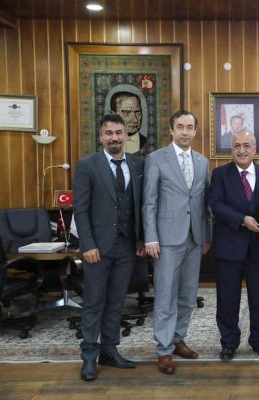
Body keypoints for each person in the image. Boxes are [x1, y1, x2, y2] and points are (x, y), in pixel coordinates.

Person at [73, 113, 145, 381]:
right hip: (97, 248)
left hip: (127, 247)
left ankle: (109, 350)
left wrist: (141, 237)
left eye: (118, 133)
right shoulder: (87, 165)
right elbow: (80, 210)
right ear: (101, 137)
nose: (114, 137)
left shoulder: (137, 164)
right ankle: (89, 357)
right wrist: (87, 244)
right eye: (109, 133)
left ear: (125, 135)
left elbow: (141, 205)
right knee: (94, 303)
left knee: (116, 302)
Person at [142, 110, 212, 374]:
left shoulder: (202, 162)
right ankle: (163, 349)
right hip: (167, 239)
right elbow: (149, 202)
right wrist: (150, 237)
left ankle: (178, 338)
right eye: (180, 127)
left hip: (194, 238)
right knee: (165, 296)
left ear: (195, 131)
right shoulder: (156, 159)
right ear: (171, 130)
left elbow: (205, 203)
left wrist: (206, 236)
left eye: (189, 127)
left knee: (187, 296)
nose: (185, 131)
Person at [209, 130, 259, 360]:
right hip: (229, 248)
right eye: (237, 146)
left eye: (246, 145)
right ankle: (229, 342)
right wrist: (242, 220)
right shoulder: (220, 174)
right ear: (231, 149)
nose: (241, 150)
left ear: (254, 149)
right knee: (227, 299)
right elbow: (216, 205)